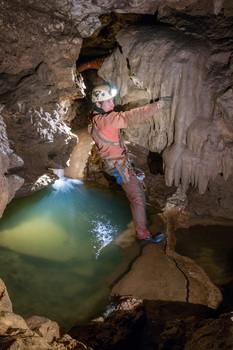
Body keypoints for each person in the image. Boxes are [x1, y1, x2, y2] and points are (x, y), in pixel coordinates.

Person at [88, 84, 172, 244]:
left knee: (136, 193)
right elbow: (131, 116)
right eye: (108, 102)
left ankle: (142, 232)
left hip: (115, 164)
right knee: (137, 197)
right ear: (98, 104)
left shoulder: (94, 118)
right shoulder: (107, 120)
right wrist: (158, 105)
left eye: (112, 101)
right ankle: (143, 236)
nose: (113, 105)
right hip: (119, 167)